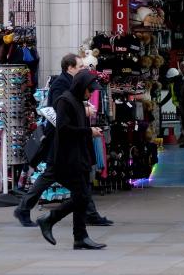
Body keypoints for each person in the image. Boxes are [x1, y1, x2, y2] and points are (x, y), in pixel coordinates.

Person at [14, 53, 112, 228]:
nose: (83, 69)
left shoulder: (72, 83)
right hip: (60, 140)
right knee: (56, 176)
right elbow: (59, 112)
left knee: (76, 179)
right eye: (80, 66)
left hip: (69, 140)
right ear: (70, 68)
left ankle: (89, 213)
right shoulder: (61, 84)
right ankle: (24, 209)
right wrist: (84, 112)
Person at [36, 70, 107, 250]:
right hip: (68, 158)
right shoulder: (65, 101)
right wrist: (89, 131)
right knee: (82, 196)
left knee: (81, 196)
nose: (90, 94)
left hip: (79, 156)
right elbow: (65, 129)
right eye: (89, 90)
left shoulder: (76, 101)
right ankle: (50, 219)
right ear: (81, 87)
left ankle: (79, 236)